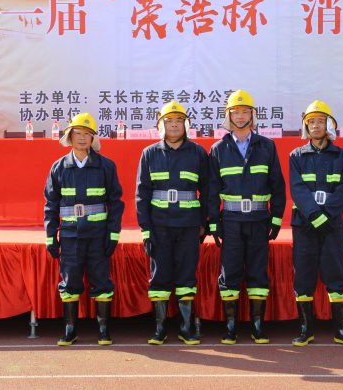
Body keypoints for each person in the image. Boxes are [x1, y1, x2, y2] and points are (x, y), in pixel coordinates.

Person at [208, 89, 286, 344]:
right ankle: (231, 327)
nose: (240, 116)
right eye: (235, 112)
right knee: (229, 272)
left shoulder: (267, 146)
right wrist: (213, 222)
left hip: (259, 220)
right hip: (231, 221)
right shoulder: (218, 149)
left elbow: (277, 185)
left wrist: (276, 219)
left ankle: (257, 327)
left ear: (253, 115)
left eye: (245, 112)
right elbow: (211, 190)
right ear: (228, 116)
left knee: (257, 273)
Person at [44, 112, 124, 346]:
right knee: (70, 283)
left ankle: (103, 330)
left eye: (87, 134)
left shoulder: (105, 166)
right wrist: (51, 236)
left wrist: (113, 234)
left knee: (101, 281)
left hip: (98, 235)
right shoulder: (59, 167)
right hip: (70, 236)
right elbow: (51, 204)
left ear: (93, 139)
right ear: (69, 137)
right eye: (77, 133)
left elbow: (115, 202)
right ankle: (70, 330)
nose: (81, 138)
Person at [136, 101, 209, 345]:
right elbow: (142, 194)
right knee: (160, 276)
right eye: (169, 121)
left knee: (186, 276)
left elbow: (207, 190)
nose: (174, 125)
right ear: (161, 125)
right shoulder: (150, 153)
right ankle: (160, 329)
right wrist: (146, 229)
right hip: (159, 225)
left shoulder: (198, 152)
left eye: (179, 121)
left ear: (186, 125)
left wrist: (203, 222)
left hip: (188, 224)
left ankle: (186, 328)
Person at [288, 100, 343, 348]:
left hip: (331, 223)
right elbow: (298, 190)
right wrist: (315, 216)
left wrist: (326, 215)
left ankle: (341, 330)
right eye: (311, 122)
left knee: (336, 273)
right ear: (306, 126)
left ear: (330, 125)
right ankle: (305, 330)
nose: (316, 126)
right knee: (303, 275)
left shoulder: (342, 156)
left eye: (321, 121)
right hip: (304, 224)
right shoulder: (296, 156)